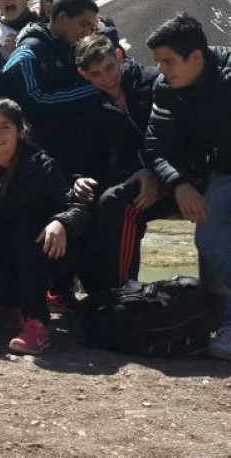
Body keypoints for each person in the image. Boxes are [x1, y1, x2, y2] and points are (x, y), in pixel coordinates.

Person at [144, 13, 231, 360]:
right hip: (225, 171)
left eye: (168, 61)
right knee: (208, 239)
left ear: (196, 57)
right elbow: (157, 144)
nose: (162, 70)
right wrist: (179, 183)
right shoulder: (168, 89)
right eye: (158, 62)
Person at [0, 99, 88, 355]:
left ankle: (37, 325)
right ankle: (6, 305)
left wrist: (60, 222)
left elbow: (77, 209)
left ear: (19, 130)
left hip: (48, 252)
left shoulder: (42, 164)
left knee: (26, 232)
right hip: (3, 250)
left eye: (5, 127)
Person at [71, 33, 175, 295]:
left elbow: (174, 137)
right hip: (144, 175)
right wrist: (81, 178)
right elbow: (92, 158)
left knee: (120, 204)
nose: (106, 78)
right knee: (99, 202)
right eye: (95, 74)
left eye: (109, 67)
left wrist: (151, 171)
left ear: (119, 57)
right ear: (84, 75)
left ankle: (121, 295)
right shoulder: (96, 108)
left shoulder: (154, 82)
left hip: (180, 170)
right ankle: (110, 294)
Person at [0, 0, 103, 177]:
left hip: (77, 150)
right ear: (62, 17)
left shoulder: (66, 47)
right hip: (45, 162)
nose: (86, 33)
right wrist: (96, 87)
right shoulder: (28, 52)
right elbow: (35, 102)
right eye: (83, 25)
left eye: (91, 28)